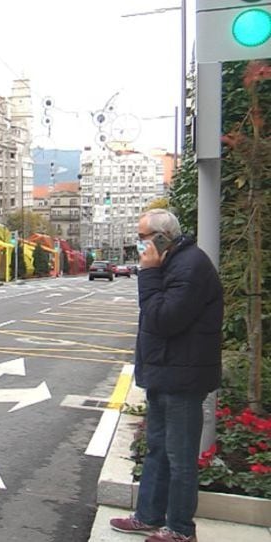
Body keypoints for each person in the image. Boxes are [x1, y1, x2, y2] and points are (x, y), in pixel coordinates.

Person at [110, 209, 223, 542]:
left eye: (143, 237)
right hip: (167, 373)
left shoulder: (188, 267)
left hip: (182, 377)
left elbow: (162, 319)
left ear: (161, 238)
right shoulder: (175, 263)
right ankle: (148, 516)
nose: (139, 244)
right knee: (158, 449)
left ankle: (180, 529)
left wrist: (148, 273)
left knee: (179, 456)